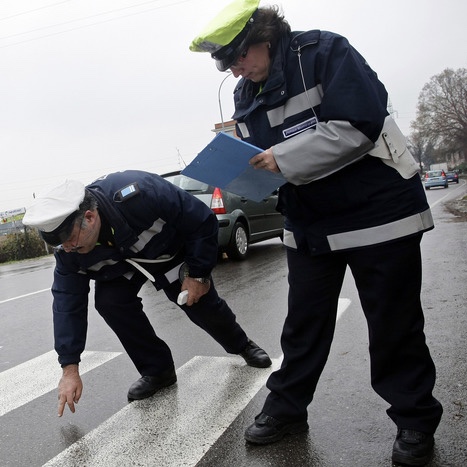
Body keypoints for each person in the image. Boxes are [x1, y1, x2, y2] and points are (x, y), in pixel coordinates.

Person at [190, 1, 443, 465]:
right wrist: (246, 169)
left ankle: (414, 419)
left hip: (377, 211)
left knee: (394, 325)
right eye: (226, 64)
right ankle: (287, 408)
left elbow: (361, 125)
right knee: (302, 325)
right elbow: (261, 157)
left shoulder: (325, 52)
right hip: (311, 221)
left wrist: (282, 159)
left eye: (238, 56)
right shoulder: (247, 93)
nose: (235, 69)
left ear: (264, 35)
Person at [22, 169, 271, 417]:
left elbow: (201, 221)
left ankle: (242, 345)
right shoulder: (69, 253)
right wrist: (69, 367)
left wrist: (198, 274)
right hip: (119, 268)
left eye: (70, 239)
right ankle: (158, 371)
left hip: (166, 253)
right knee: (110, 302)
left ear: (89, 217)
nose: (67, 248)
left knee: (199, 302)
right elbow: (67, 305)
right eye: (60, 244)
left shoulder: (140, 194)